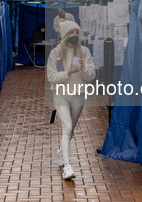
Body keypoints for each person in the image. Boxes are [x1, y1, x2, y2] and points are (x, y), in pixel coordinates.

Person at [46, 20, 96, 180]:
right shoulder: (55, 53)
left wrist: (82, 68)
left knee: (71, 129)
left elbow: (91, 76)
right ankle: (67, 167)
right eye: (71, 33)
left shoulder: (85, 52)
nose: (74, 36)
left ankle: (61, 151)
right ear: (64, 35)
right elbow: (51, 77)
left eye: (76, 33)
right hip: (61, 94)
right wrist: (68, 72)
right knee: (67, 128)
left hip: (78, 94)